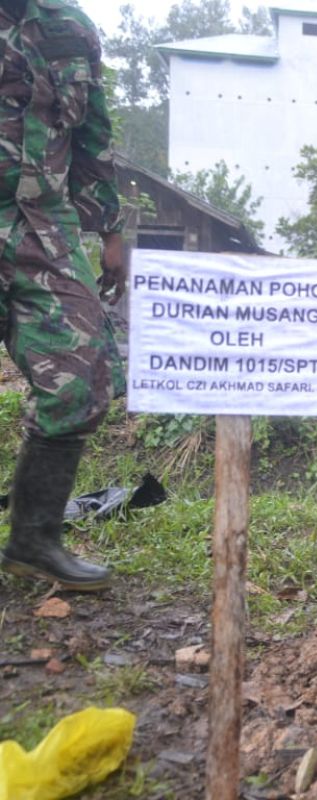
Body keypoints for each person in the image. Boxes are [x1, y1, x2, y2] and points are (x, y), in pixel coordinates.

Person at [1, 0, 127, 591]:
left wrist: (111, 230)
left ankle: (32, 540)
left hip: (42, 231)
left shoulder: (70, 28)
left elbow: (93, 135)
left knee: (82, 376)